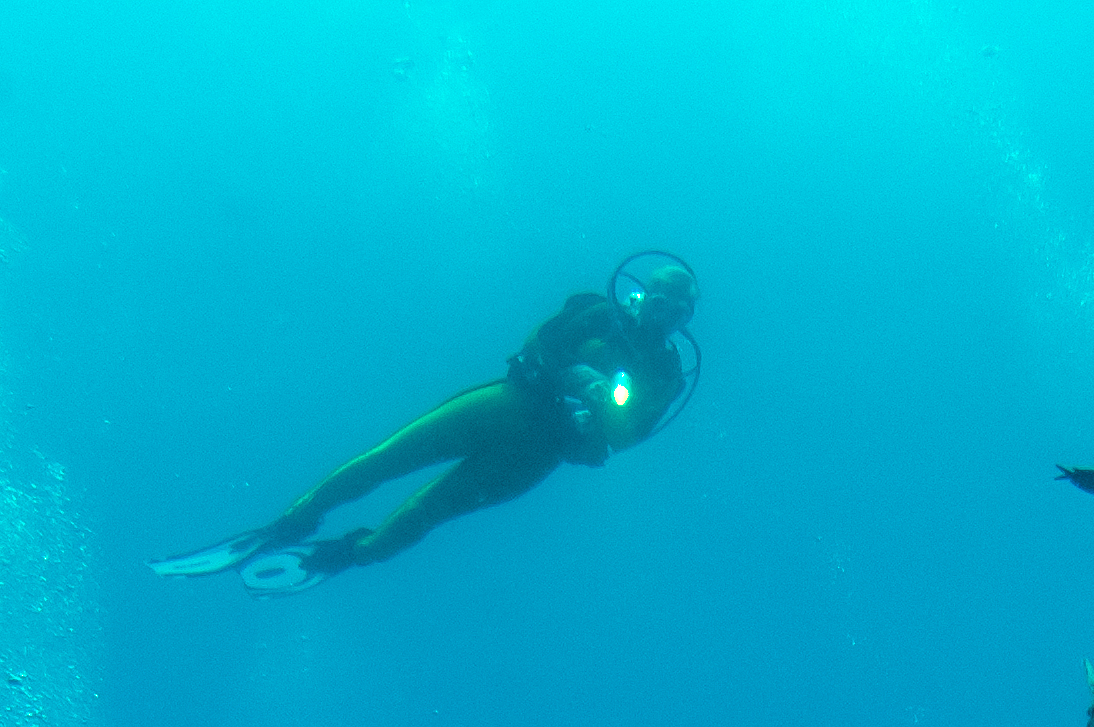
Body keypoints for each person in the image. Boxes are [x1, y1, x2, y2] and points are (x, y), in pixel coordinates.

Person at [157, 253, 700, 592]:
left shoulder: (667, 374)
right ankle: (292, 522)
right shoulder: (597, 313)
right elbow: (541, 346)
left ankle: (346, 554)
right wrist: (582, 380)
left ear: (685, 318)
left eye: (677, 312)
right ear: (641, 295)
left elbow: (626, 437)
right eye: (659, 302)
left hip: (537, 452)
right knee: (387, 460)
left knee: (427, 512)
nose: (664, 316)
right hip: (508, 406)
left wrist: (597, 421)